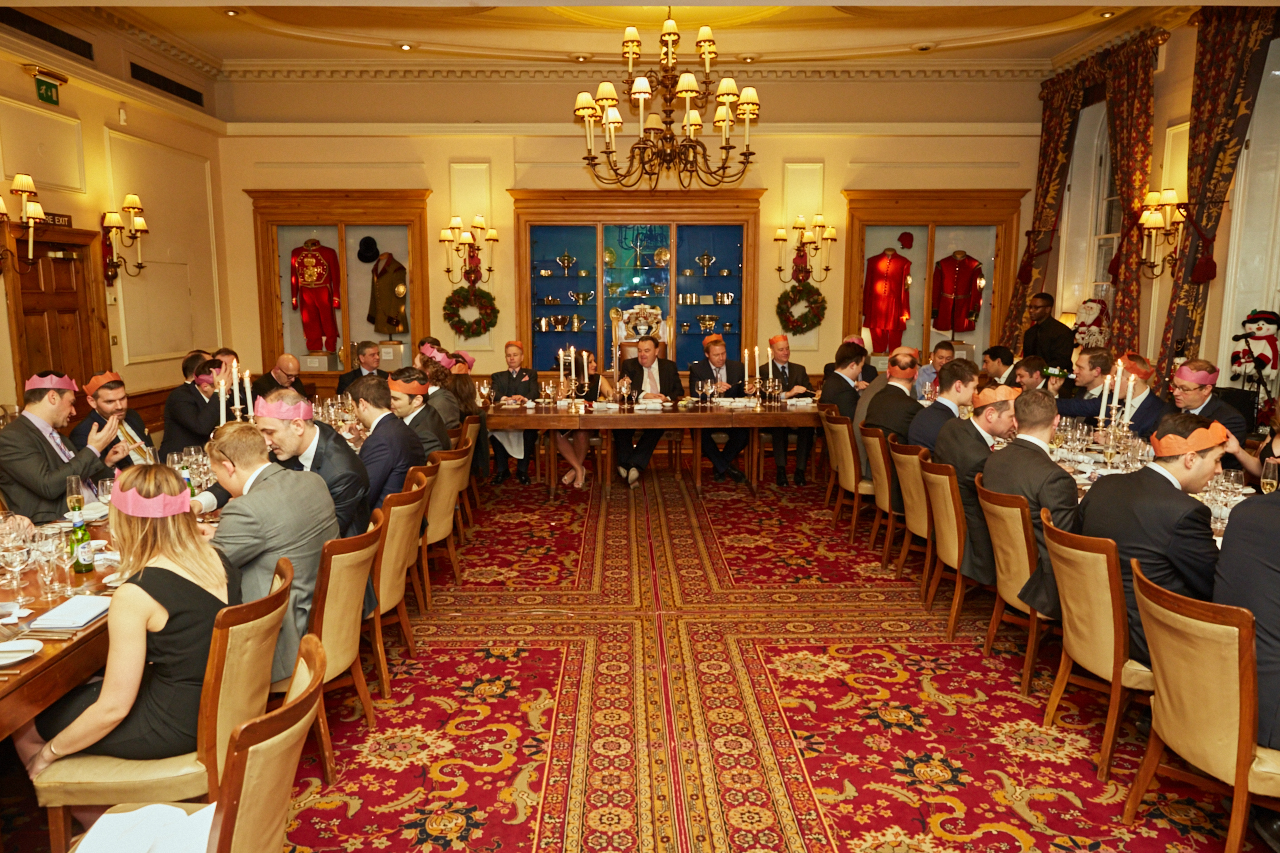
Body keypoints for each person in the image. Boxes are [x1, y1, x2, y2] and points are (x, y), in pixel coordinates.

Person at [15, 465, 239, 825]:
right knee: (86, 691)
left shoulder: (136, 594)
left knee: (25, 727)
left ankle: (110, 832)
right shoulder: (218, 557)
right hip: (220, 705)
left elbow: (113, 709)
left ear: (127, 523)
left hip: (177, 724)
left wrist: (50, 753)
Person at [1078, 413, 1225, 665]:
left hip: (1085, 617)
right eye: (1217, 460)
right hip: (1144, 637)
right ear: (1190, 459)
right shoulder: (1185, 511)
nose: (1219, 471)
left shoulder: (1106, 485)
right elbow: (1214, 586)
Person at [206, 422, 337, 682]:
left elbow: (205, 569)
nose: (217, 480)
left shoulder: (245, 509)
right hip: (326, 616)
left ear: (228, 467)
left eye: (215, 473)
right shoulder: (312, 480)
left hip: (281, 640)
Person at [194, 389, 371, 540]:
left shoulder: (342, 473)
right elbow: (243, 474)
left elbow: (319, 534)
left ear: (298, 426)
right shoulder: (291, 444)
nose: (266, 442)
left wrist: (228, 535)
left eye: (269, 432)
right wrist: (199, 503)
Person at [981, 388, 1080, 620]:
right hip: (1043, 585)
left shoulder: (993, 459)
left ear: (1015, 421)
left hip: (1005, 568)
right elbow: (1066, 543)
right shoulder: (1054, 478)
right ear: (1056, 421)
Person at [0, 373, 129, 523]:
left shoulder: (57, 436)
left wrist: (105, 462)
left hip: (95, 516)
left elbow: (82, 475)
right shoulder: (12, 437)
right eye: (71, 402)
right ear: (53, 397)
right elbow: (48, 486)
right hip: (57, 526)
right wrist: (93, 449)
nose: (74, 411)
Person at [933, 384, 1020, 585]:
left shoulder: (952, 426)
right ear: (990, 414)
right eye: (1011, 418)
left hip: (946, 528)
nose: (1016, 424)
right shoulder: (980, 461)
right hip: (976, 544)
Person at [615, 335, 684, 488]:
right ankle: (633, 466)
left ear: (657, 351)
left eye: (647, 350)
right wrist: (644, 394)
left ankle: (629, 465)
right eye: (639, 351)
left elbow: (678, 391)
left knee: (656, 427)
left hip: (658, 412)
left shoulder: (669, 366)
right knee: (619, 427)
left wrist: (665, 397)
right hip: (634, 412)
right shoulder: (629, 365)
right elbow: (625, 388)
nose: (642, 354)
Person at [349, 375, 427, 508]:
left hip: (384, 521)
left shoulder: (380, 440)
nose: (355, 413)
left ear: (362, 404)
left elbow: (363, 496)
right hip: (407, 515)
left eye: (353, 407)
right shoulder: (402, 428)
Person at [1053, 352, 1165, 438]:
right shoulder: (1112, 399)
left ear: (1133, 379)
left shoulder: (1158, 410)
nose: (1110, 383)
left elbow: (1149, 447)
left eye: (1116, 377)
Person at [1163, 359, 1248, 469]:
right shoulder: (1170, 407)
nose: (1175, 393)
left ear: (1206, 389)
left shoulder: (1230, 420)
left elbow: (1211, 461)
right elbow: (1150, 437)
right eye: (1174, 386)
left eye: (1184, 389)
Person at [687, 335, 748, 483]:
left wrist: (749, 390)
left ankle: (720, 465)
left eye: (723, 353)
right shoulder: (697, 369)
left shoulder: (737, 367)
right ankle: (725, 467)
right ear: (707, 355)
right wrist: (713, 387)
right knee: (698, 433)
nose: (721, 358)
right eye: (716, 355)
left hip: (731, 417)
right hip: (707, 418)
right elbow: (695, 394)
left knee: (745, 432)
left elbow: (742, 394)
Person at [761, 334, 815, 487]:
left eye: (787, 349)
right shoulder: (764, 370)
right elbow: (765, 394)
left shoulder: (799, 369)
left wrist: (813, 393)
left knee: (808, 428)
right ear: (772, 352)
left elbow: (808, 391)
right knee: (779, 427)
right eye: (781, 350)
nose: (785, 352)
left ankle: (800, 470)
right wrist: (788, 394)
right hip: (776, 418)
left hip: (798, 416)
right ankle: (781, 470)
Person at [853, 346, 916, 479]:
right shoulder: (906, 403)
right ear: (915, 375)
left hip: (862, 460)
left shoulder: (878, 393)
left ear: (888, 372)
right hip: (879, 470)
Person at [70, 371, 154, 468]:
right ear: (92, 402)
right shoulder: (84, 432)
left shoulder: (132, 415)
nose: (119, 407)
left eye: (122, 398)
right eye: (110, 401)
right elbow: (91, 476)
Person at [555, 349, 613, 489]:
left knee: (581, 433)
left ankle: (575, 470)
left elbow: (612, 396)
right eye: (590, 362)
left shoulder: (599, 379)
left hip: (589, 423)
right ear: (580, 365)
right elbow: (557, 401)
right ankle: (579, 468)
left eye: (594, 361)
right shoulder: (568, 379)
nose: (595, 364)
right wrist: (564, 388)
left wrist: (620, 391)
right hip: (568, 421)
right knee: (556, 434)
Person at [490, 340, 539, 485]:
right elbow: (493, 393)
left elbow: (535, 392)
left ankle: (522, 470)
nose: (511, 358)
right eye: (508, 355)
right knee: (494, 432)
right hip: (503, 419)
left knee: (530, 432)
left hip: (525, 419)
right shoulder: (497, 376)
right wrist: (506, 398)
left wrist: (523, 398)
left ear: (522, 357)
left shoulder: (530, 374)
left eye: (515, 355)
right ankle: (503, 470)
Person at [160, 355, 223, 462]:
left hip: (207, 459)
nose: (228, 391)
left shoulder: (219, 397)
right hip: (179, 463)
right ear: (205, 386)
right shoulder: (180, 396)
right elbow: (201, 427)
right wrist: (219, 392)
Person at [907, 358, 979, 452]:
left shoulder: (921, 414)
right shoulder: (951, 426)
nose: (976, 393)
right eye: (974, 388)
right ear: (958, 386)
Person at [388, 368, 451, 461]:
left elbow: (421, 471)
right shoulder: (428, 410)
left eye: (395, 399)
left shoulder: (424, 435)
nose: (389, 403)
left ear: (417, 401)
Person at [864, 349, 921, 444]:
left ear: (887, 373)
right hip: (895, 458)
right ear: (916, 376)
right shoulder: (913, 407)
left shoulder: (875, 398)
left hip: (872, 457)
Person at [1020, 292, 1074, 372]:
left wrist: (1039, 371)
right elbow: (1027, 358)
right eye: (1030, 307)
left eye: (1036, 308)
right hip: (1033, 377)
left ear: (1047, 309)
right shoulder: (1030, 332)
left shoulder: (1062, 331)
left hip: (1056, 377)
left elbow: (1062, 361)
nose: (1031, 310)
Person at [820, 340, 869, 422]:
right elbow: (855, 420)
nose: (860, 370)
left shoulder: (831, 381)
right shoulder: (844, 390)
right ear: (852, 365)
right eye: (861, 366)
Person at [419, 343, 462, 431]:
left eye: (415, 366)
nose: (412, 368)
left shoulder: (433, 405)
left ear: (427, 373)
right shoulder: (446, 395)